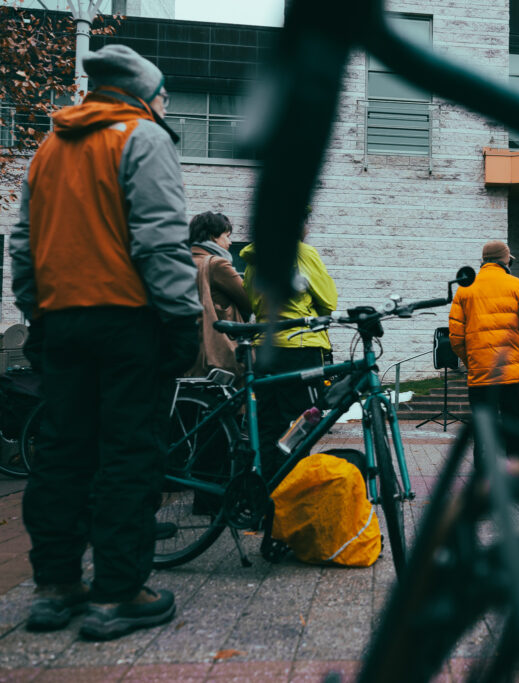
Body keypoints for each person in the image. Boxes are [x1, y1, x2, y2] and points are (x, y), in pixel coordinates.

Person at [10, 45, 201, 640]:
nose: (165, 104)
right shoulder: (143, 138)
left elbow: (21, 245)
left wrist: (37, 314)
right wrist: (182, 319)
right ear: (144, 92)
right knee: (129, 453)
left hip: (61, 321)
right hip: (128, 320)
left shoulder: (49, 147)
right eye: (164, 94)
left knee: (62, 453)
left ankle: (55, 588)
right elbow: (159, 241)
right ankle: (118, 594)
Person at [240, 225, 337, 480]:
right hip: (299, 346)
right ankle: (290, 490)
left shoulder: (253, 258)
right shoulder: (302, 253)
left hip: (264, 347)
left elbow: (250, 300)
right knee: (300, 423)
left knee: (267, 423)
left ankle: (265, 490)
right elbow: (328, 301)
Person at [448, 240, 519, 465]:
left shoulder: (465, 288)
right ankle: (515, 475)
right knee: (515, 427)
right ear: (505, 260)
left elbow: (456, 336)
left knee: (483, 429)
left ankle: (482, 474)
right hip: (513, 374)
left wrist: (471, 361)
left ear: (483, 261)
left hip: (481, 374)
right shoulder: (517, 285)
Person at [185, 212, 252, 379]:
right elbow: (249, 301)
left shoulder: (181, 262)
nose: (229, 242)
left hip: (187, 344)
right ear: (213, 236)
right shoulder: (217, 264)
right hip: (215, 346)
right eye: (227, 236)